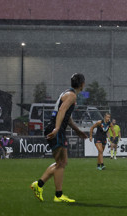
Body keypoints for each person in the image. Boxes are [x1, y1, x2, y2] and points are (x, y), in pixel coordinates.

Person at [30, 73, 88, 203]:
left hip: (58, 129)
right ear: (82, 84)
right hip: (56, 129)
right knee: (61, 163)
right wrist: (56, 128)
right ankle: (58, 195)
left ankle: (38, 185)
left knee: (61, 162)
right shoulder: (71, 95)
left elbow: (67, 117)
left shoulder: (68, 94)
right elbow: (61, 111)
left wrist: (77, 130)